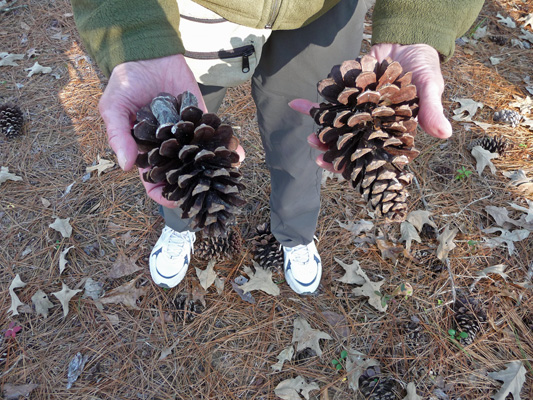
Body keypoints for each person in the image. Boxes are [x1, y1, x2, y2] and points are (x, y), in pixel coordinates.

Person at [71, 0, 484, 294]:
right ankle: (179, 224)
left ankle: (296, 233)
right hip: (200, 12)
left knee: (302, 136)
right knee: (180, 127)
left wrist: (422, 18)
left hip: (322, 13)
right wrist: (134, 30)